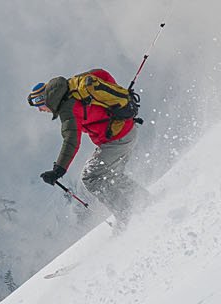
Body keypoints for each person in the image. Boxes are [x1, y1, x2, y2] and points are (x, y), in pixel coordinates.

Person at [28, 69, 150, 229]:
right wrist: (119, 103)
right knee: (110, 175)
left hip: (118, 138)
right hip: (125, 129)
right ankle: (144, 200)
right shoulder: (73, 84)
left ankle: (126, 215)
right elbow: (101, 74)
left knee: (91, 177)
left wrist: (58, 170)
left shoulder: (68, 109)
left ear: (46, 99)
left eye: (40, 105)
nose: (40, 110)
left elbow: (71, 140)